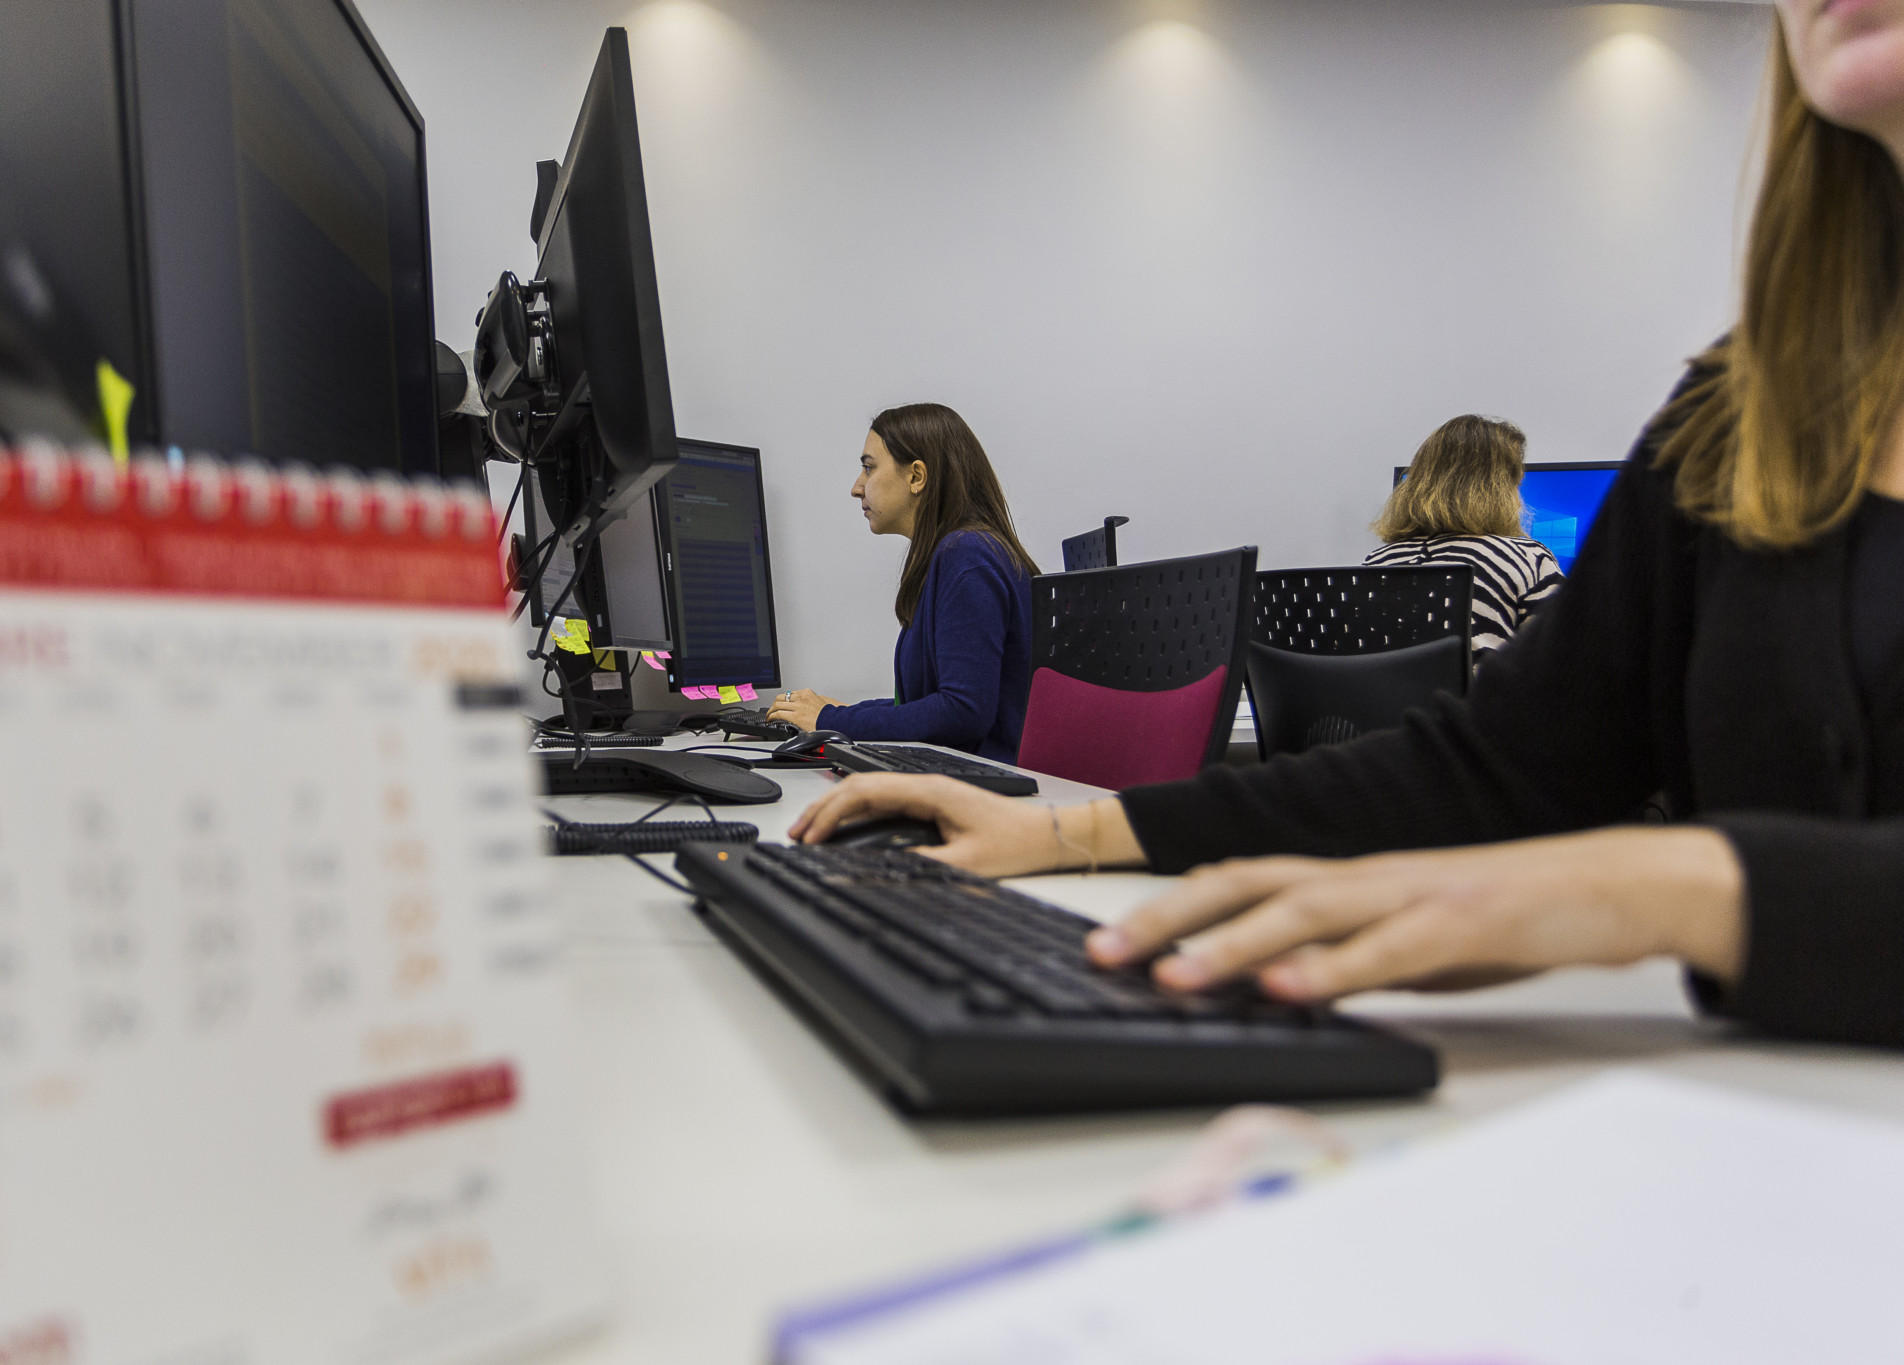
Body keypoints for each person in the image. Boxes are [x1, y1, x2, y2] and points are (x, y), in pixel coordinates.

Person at [790, 1, 1904, 1049]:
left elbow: (1610, 852)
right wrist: (1061, 837)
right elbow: (1495, 766)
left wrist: (1674, 891)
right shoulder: (1734, 427)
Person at [765, 403, 1039, 763]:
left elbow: (962, 712)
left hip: (983, 796)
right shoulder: (956, 552)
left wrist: (830, 718)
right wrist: (848, 713)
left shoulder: (967, 555)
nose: (856, 487)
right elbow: (928, 701)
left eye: (869, 467)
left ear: (916, 477)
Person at [1365, 414, 1564, 661]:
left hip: (1387, 700)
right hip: (1483, 699)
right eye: (1515, 484)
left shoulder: (1377, 561)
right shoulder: (1528, 558)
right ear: (1500, 489)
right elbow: (1561, 658)